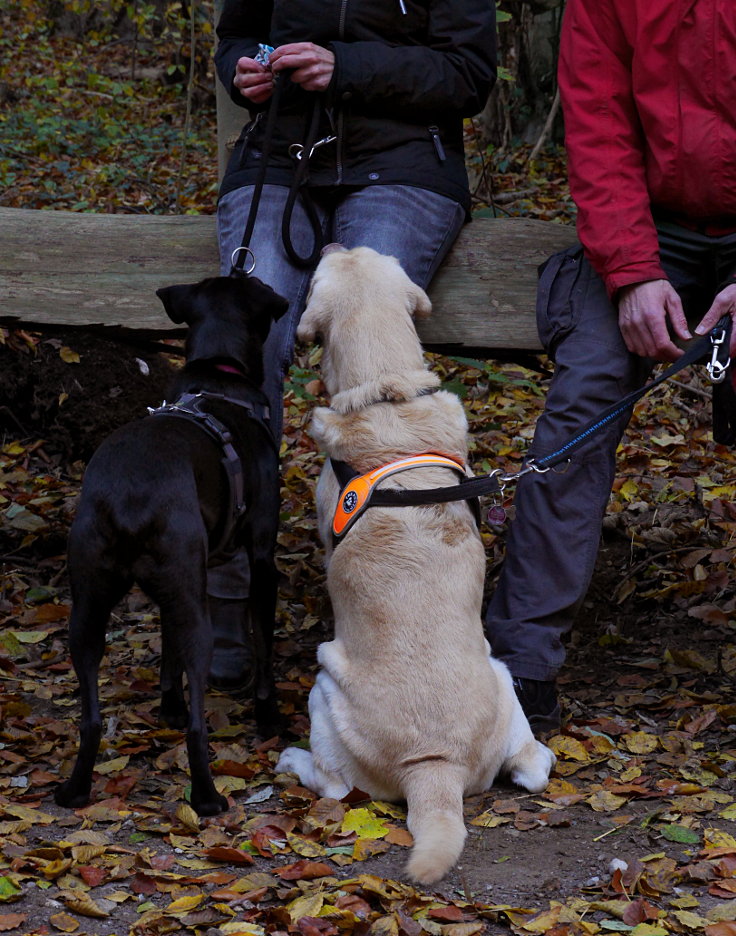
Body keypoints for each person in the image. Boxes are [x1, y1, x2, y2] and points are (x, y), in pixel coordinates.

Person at [208, 1, 497, 688]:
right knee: (243, 344)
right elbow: (236, 36)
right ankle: (225, 599)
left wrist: (346, 68)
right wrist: (242, 71)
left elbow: (469, 73)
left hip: (401, 167)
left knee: (370, 341)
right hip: (277, 162)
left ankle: (400, 585)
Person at [484, 0, 736, 737]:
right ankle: (519, 666)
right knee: (584, 397)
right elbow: (599, 131)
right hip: (645, 230)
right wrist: (631, 274)